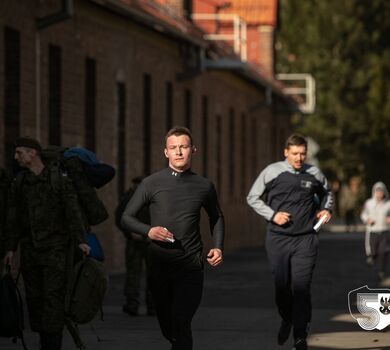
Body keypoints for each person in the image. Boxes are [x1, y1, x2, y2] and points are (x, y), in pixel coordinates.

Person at [121, 126, 224, 350]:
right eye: (173, 148)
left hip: (190, 265)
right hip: (159, 265)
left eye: (183, 147)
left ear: (193, 150)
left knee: (181, 321)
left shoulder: (204, 186)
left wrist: (218, 247)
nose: (178, 152)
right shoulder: (151, 183)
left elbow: (216, 217)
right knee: (169, 327)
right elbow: (126, 217)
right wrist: (148, 231)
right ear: (166, 152)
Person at [247, 134, 333, 350]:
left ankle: (300, 336)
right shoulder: (272, 171)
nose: (299, 158)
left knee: (301, 287)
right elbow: (252, 197)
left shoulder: (314, 173)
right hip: (278, 239)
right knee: (282, 287)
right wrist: (272, 215)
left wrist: (326, 210)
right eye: (295, 153)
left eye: (303, 153)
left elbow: (328, 194)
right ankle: (287, 318)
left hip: (306, 238)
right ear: (286, 152)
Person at [3, 137, 90, 350]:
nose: (16, 157)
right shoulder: (20, 183)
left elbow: (72, 212)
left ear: (33, 153)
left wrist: (80, 241)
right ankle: (45, 343)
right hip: (31, 252)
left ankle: (52, 346)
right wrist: (10, 248)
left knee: (53, 301)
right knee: (35, 301)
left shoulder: (58, 179)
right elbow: (13, 218)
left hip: (56, 252)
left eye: (19, 152)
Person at [115, 176, 155, 316]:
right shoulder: (128, 198)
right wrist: (129, 232)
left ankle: (153, 305)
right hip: (135, 241)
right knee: (133, 273)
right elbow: (120, 218)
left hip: (151, 241)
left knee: (153, 275)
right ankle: (132, 303)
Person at [360, 182, 390, 280]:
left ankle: (381, 271)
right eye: (377, 192)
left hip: (384, 231)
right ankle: (371, 257)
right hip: (372, 231)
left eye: (381, 192)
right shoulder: (369, 203)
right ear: (374, 192)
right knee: (373, 252)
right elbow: (363, 214)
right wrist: (367, 220)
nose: (379, 194)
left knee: (383, 252)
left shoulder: (388, 204)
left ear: (384, 192)